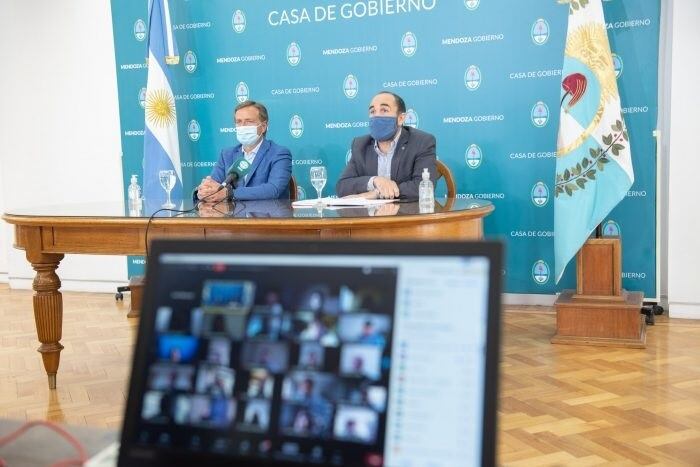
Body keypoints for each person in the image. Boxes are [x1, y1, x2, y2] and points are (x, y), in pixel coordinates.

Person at [336, 92, 436, 199]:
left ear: (401, 119)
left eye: (384, 110)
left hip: (406, 214)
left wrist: (377, 193)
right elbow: (342, 186)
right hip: (371, 215)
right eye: (372, 111)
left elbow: (422, 186)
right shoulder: (360, 145)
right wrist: (375, 181)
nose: (376, 116)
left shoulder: (422, 142)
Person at [196, 100, 292, 202]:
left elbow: (273, 190)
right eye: (239, 122)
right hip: (233, 216)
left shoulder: (279, 154)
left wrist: (229, 193)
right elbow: (214, 186)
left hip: (268, 216)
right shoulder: (227, 154)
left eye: (249, 121)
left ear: (263, 127)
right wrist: (204, 191)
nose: (243, 126)